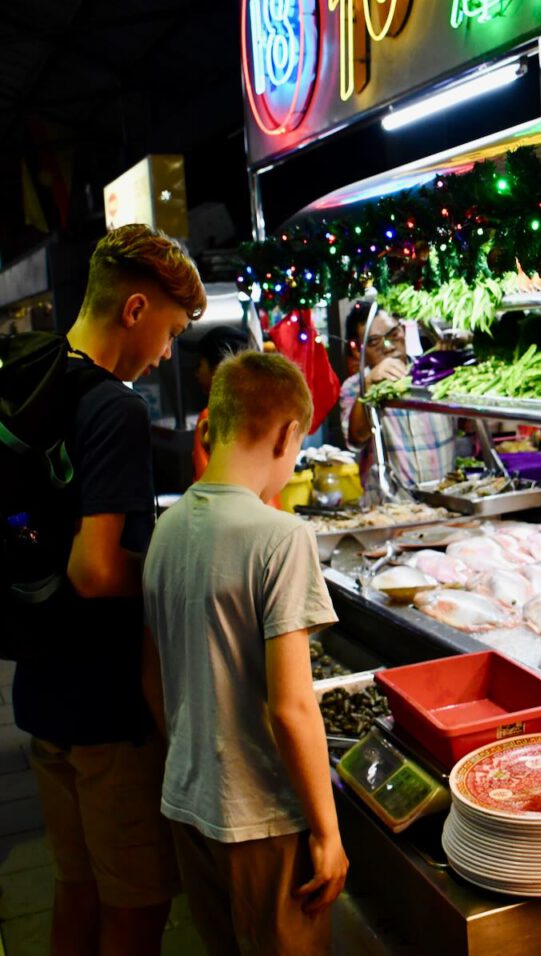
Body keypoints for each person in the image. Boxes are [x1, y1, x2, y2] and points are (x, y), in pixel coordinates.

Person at [12, 223, 206, 956]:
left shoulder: (36, 376)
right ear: (134, 309)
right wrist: (176, 573)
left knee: (77, 887)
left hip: (40, 689)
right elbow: (95, 569)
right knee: (135, 905)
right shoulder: (114, 407)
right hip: (105, 706)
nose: (165, 352)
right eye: (169, 331)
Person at [142, 351, 348, 956]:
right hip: (262, 816)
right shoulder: (281, 537)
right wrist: (328, 833)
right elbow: (293, 707)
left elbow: (150, 674)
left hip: (188, 801)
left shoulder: (170, 524)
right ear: (289, 434)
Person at [339, 303, 456, 497]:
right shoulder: (355, 386)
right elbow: (356, 439)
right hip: (391, 508)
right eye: (375, 341)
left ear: (402, 329)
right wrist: (368, 386)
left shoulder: (433, 373)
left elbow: (468, 425)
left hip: (445, 499)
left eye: (393, 334)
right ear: (359, 351)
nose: (388, 346)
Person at [188, 324, 252, 480]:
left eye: (200, 364)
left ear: (218, 366)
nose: (196, 373)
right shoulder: (258, 409)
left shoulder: (210, 416)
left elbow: (206, 481)